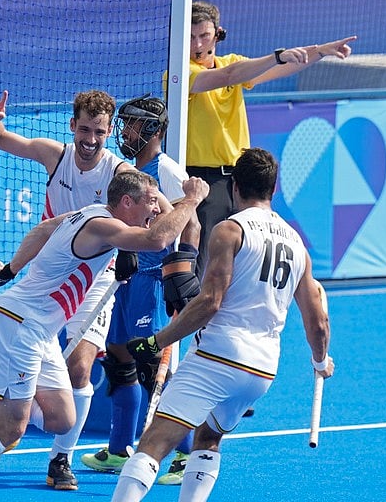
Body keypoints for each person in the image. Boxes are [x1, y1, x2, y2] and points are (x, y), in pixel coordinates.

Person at [0, 171, 209, 502]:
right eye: (151, 202)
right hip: (21, 324)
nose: (156, 210)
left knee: (62, 419)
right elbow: (157, 239)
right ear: (127, 202)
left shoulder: (89, 213)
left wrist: (12, 269)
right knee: (10, 428)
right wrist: (192, 199)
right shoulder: (102, 225)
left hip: (37, 329)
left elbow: (44, 228)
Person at [0, 89, 137, 490]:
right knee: (21, 413)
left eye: (99, 131)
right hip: (52, 271)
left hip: (93, 280)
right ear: (72, 126)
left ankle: (60, 458)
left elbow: (148, 208)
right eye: (84, 130)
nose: (91, 139)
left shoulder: (119, 172)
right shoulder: (55, 156)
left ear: (109, 131)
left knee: (80, 368)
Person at [111, 147, 334, 502]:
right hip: (262, 369)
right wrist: (321, 361)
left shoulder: (230, 230)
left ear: (234, 187)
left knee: (154, 441)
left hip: (219, 355)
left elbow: (209, 302)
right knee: (209, 437)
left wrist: (158, 341)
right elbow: (318, 320)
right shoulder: (297, 245)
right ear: (273, 189)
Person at [183, 0, 356, 276]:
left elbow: (278, 69)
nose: (198, 44)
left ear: (218, 34)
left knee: (247, 259)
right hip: (203, 181)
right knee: (203, 264)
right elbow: (228, 75)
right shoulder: (181, 72)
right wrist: (278, 56)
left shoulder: (233, 62)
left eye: (204, 35)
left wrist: (320, 51)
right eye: (191, 37)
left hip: (240, 179)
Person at [79, 96, 199, 484]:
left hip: (152, 282)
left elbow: (191, 223)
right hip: (124, 276)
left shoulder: (166, 170)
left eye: (130, 125)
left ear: (152, 130)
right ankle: (119, 449)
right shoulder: (129, 169)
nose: (124, 132)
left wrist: (181, 273)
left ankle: (185, 454)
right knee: (118, 360)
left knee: (152, 366)